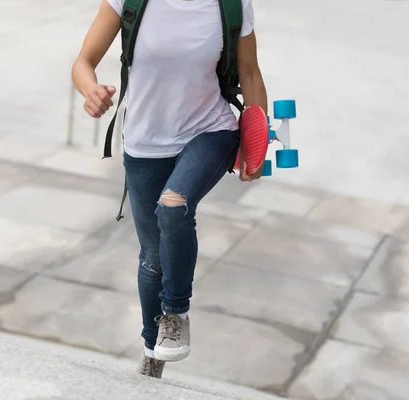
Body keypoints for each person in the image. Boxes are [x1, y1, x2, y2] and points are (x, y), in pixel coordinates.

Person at [71, 0, 267, 379]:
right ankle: (152, 351)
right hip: (144, 142)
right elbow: (83, 62)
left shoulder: (233, 3)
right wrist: (91, 91)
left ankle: (175, 313)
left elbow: (250, 72)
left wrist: (255, 143)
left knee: (173, 206)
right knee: (152, 258)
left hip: (210, 129)